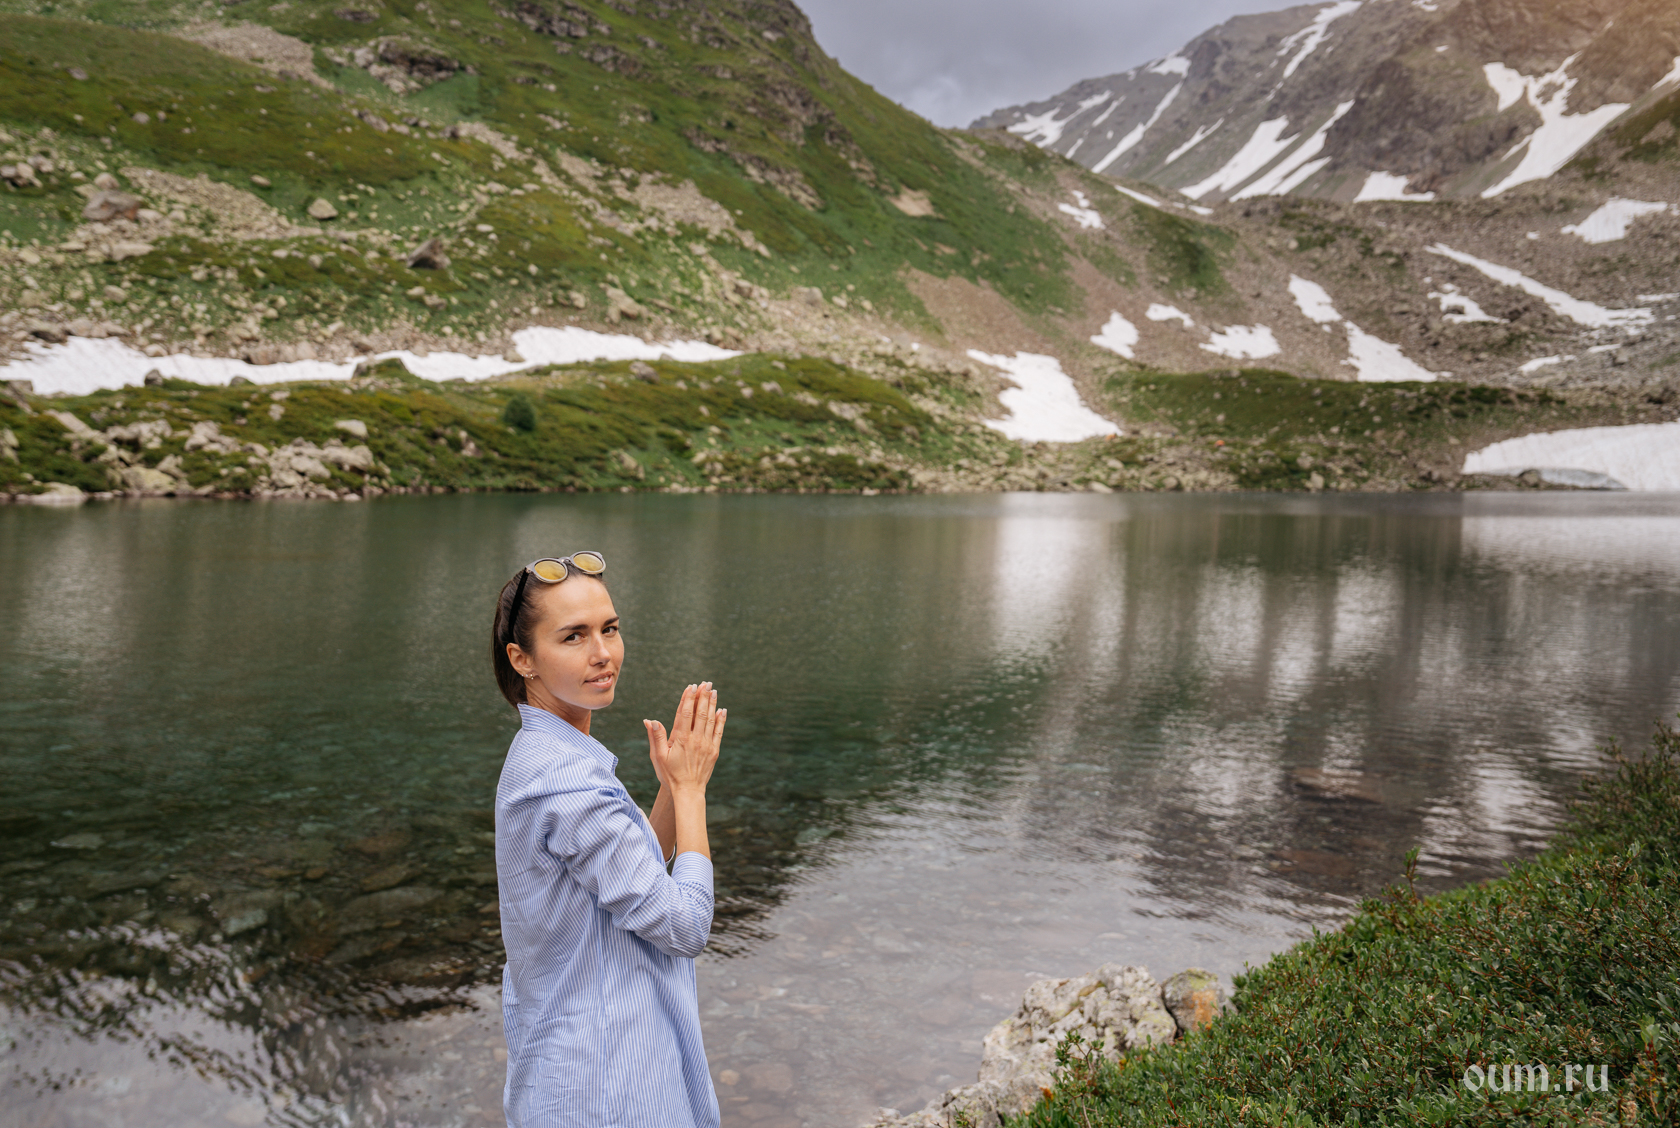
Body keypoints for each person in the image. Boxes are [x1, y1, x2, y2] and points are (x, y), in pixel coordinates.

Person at [490, 552, 726, 1128]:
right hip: (607, 1085)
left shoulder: (549, 756)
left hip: (580, 1072)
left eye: (610, 629)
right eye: (573, 636)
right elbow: (684, 927)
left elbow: (623, 875)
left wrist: (669, 790)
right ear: (523, 659)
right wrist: (691, 792)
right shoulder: (565, 779)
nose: (602, 653)